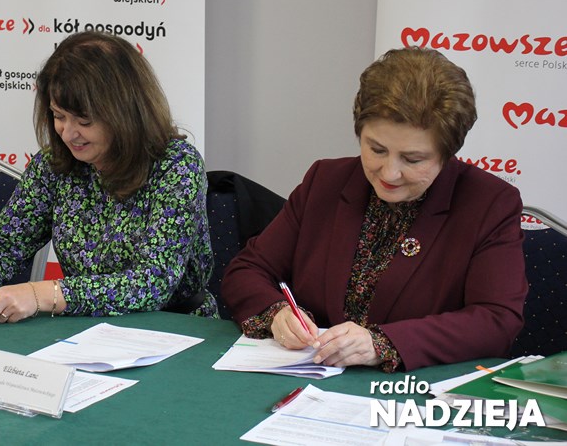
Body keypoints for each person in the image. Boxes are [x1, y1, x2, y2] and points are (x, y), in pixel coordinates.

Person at [221, 47, 527, 372]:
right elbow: (247, 270)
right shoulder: (326, 181)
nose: (389, 173)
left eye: (413, 159)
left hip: (410, 389)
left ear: (447, 153)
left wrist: (382, 344)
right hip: (309, 376)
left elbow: (497, 320)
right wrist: (278, 313)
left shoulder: (489, 203)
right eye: (377, 149)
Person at [0, 31, 216, 322]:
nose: (68, 134)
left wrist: (43, 294)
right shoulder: (54, 164)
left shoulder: (176, 165)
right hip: (84, 329)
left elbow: (152, 283)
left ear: (124, 113)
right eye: (59, 116)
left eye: (84, 121)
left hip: (174, 327)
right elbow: (4, 243)